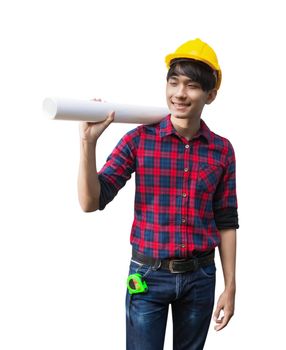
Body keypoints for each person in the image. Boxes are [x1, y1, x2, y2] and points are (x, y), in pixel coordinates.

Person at [77, 38, 239, 350]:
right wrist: (88, 143)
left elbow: (227, 220)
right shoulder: (139, 140)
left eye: (191, 86)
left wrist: (230, 286)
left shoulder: (222, 151)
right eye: (174, 82)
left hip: (201, 277)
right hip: (148, 276)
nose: (180, 93)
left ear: (210, 94)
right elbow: (90, 201)